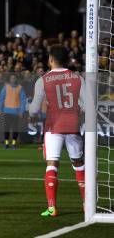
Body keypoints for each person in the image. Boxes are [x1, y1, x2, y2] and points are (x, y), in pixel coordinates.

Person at [28, 44, 89, 217]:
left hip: (53, 127)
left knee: (52, 164)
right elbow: (86, 106)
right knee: (79, 164)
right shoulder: (77, 78)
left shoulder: (43, 80)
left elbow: (33, 110)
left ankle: (52, 207)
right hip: (73, 126)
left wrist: (29, 106)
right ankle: (87, 204)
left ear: (51, 60)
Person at [0, 74, 27, 149]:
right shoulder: (6, 87)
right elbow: (1, 98)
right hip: (7, 111)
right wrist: (0, 109)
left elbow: (23, 101)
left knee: (15, 129)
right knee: (6, 129)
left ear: (16, 79)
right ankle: (6, 143)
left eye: (14, 78)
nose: (13, 79)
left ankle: (13, 144)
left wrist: (21, 111)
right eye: (12, 78)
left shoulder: (20, 88)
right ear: (10, 79)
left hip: (16, 112)